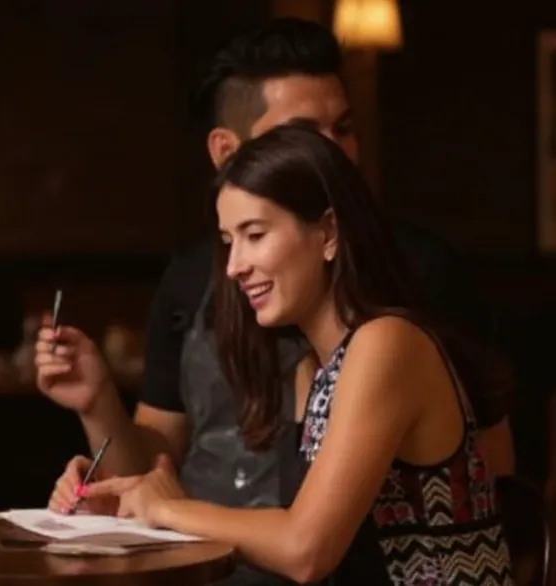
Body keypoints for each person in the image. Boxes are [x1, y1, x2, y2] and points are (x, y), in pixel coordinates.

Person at [36, 18, 514, 585]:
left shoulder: (388, 342)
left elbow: (305, 551)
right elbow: (291, 532)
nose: (234, 265)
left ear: (330, 231)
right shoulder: (320, 363)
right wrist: (129, 498)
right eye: (228, 241)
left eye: (256, 235)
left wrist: (164, 507)